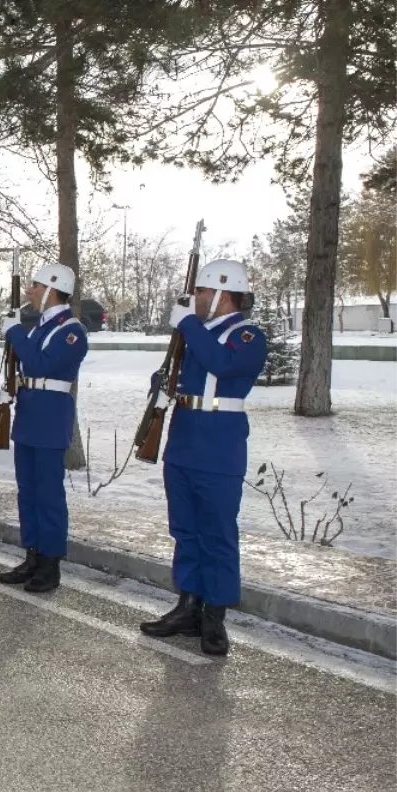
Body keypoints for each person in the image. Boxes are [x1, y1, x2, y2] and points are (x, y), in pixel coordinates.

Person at [140, 259, 266, 656]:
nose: (196, 300)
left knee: (218, 533)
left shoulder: (246, 336)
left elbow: (223, 364)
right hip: (184, 439)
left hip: (218, 445)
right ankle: (187, 606)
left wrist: (188, 327)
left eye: (202, 293)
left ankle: (214, 618)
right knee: (185, 530)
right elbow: (180, 373)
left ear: (222, 296)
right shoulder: (195, 335)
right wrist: (161, 387)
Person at [0, 263, 89, 594]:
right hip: (30, 414)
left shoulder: (71, 330)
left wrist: (15, 332)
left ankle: (50, 564)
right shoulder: (38, 327)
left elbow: (40, 363)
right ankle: (32, 554)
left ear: (51, 289)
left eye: (35, 286)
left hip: (50, 418)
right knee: (28, 492)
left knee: (49, 495)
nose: (30, 292)